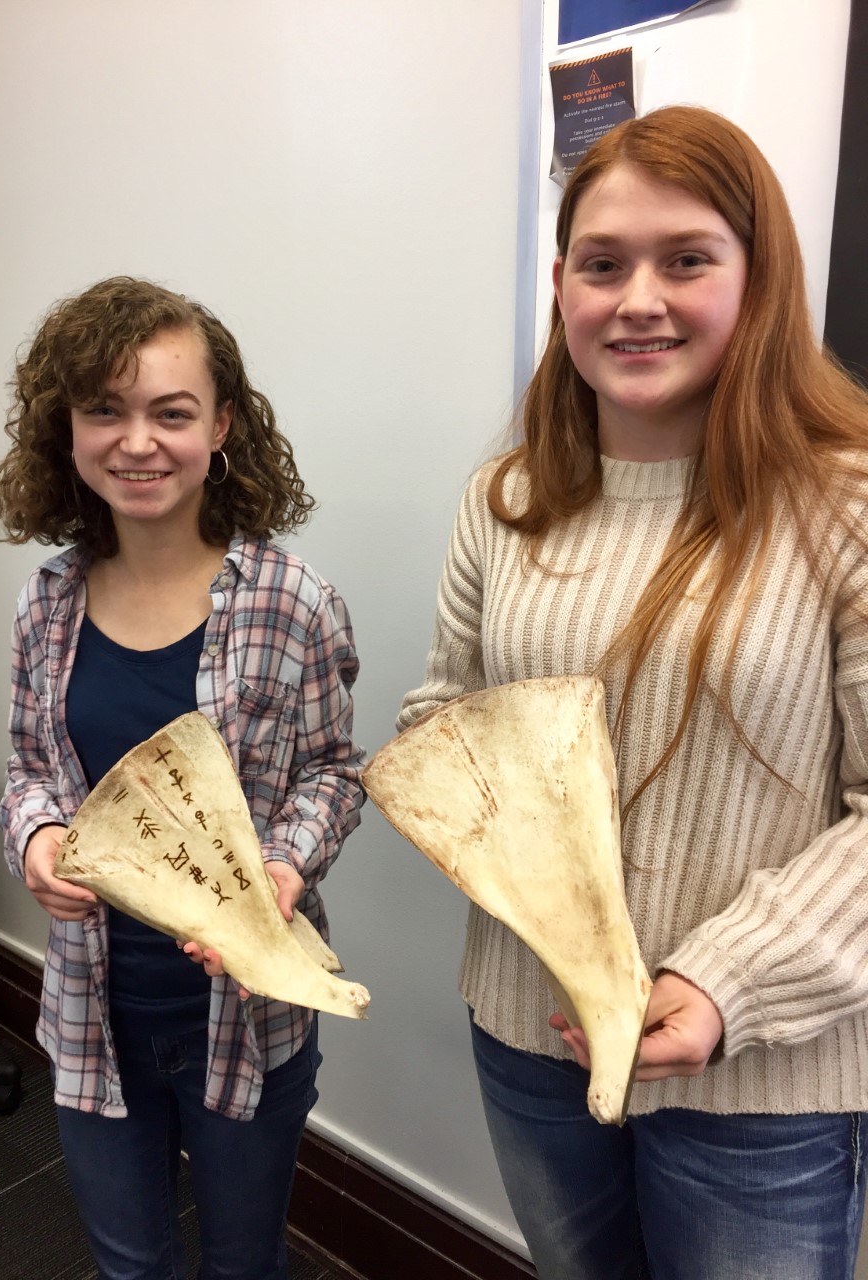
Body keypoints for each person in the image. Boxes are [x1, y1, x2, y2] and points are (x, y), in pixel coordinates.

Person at [398, 106, 868, 1280]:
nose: (637, 299)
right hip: (529, 1033)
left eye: (687, 259)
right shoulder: (504, 501)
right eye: (603, 265)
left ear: (759, 280)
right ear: (561, 285)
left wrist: (727, 978)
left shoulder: (845, 507)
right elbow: (438, 723)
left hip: (763, 1081)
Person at [0, 276, 365, 1280]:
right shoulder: (47, 600)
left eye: (171, 411)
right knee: (129, 1261)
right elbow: (28, 762)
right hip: (90, 1005)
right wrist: (35, 837)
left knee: (243, 1260)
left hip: (245, 1010)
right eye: (105, 408)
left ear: (222, 425)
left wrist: (282, 870)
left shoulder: (293, 602)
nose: (137, 440)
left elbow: (333, 770)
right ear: (65, 427)